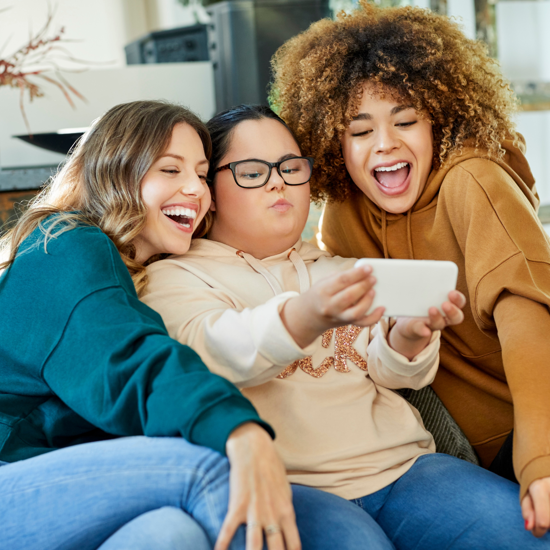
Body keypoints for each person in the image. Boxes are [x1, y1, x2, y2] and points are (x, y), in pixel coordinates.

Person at [141, 103, 549, 548]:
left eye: (291, 167)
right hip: (298, 486)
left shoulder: (344, 267)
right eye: (253, 172)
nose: (279, 182)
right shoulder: (174, 276)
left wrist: (408, 337)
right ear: (209, 189)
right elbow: (212, 353)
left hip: (408, 470)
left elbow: (394, 373)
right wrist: (305, 316)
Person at [0, 100, 366, 550]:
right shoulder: (68, 245)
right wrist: (239, 430)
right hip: (10, 479)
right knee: (207, 470)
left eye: (200, 172)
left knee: (173, 534)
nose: (194, 189)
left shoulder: (143, 271)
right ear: (116, 173)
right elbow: (131, 364)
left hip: (58, 482)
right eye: (170, 171)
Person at [269, 0, 550, 538]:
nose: (385, 144)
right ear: (332, 141)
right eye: (359, 131)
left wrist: (539, 459)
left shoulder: (474, 181)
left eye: (405, 121)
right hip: (455, 446)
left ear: (440, 122)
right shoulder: (345, 211)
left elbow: (528, 316)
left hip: (530, 423)